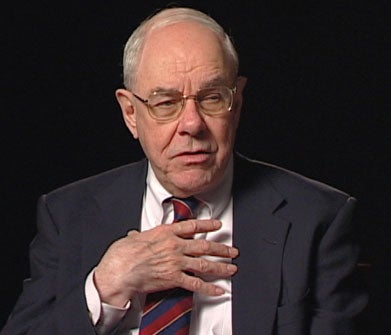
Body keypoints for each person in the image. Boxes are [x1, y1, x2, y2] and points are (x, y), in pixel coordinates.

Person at [1, 6, 367, 335]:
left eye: (211, 98)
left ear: (236, 104)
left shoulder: (317, 218)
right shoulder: (68, 214)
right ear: (131, 113)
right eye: (166, 103)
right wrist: (105, 287)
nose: (191, 124)